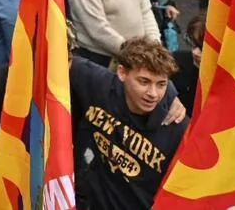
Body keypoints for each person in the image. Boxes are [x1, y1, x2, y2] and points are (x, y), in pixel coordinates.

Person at [70, 38, 187, 210]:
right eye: (144, 82)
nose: (153, 94)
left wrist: (170, 93)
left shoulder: (178, 127)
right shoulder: (101, 85)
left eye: (161, 84)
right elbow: (63, 59)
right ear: (122, 73)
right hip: (91, 200)